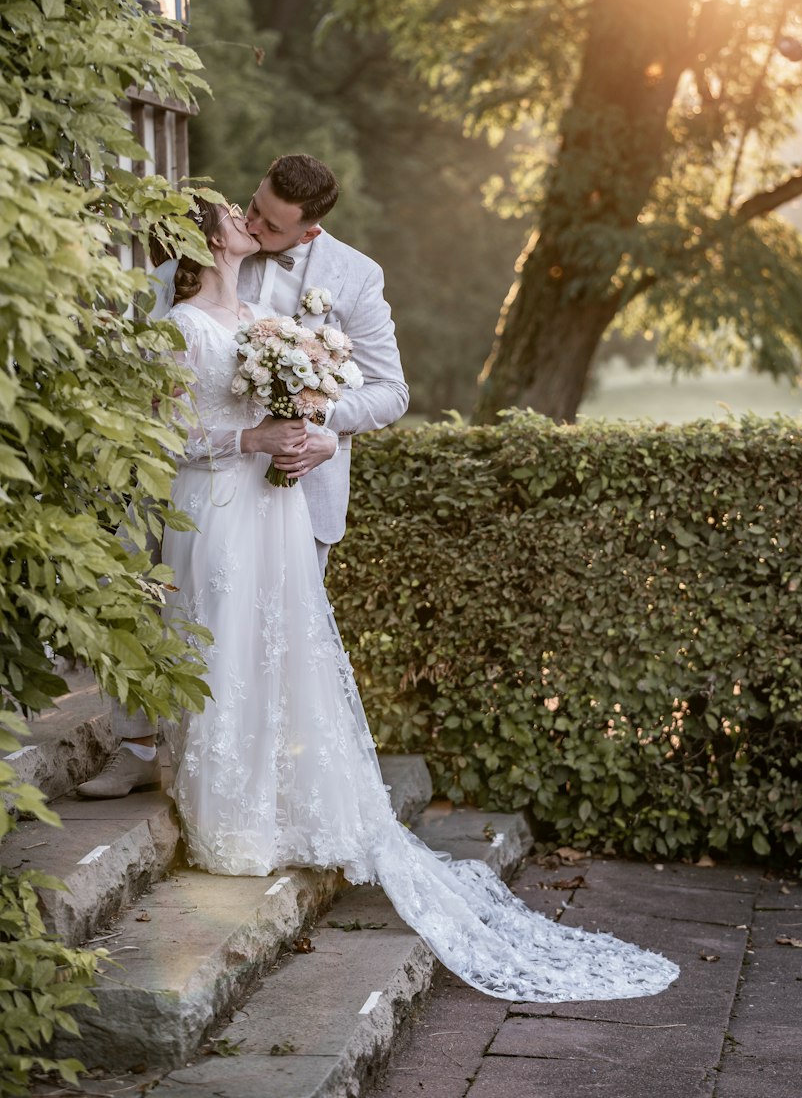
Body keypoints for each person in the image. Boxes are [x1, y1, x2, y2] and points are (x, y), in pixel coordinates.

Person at [154, 197, 680, 1001]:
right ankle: (226, 818)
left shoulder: (264, 313)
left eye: (257, 209)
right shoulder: (185, 324)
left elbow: (356, 393)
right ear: (210, 239)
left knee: (275, 651)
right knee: (218, 646)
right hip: (218, 511)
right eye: (236, 210)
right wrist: (252, 438)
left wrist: (304, 428)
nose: (246, 217)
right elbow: (169, 433)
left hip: (272, 508)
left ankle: (264, 805)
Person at [78, 154, 408, 800]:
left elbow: (392, 390)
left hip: (291, 489)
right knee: (147, 608)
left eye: (272, 223)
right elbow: (148, 374)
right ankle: (138, 745)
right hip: (189, 479)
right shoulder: (191, 254)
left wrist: (320, 423)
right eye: (252, 206)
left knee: (269, 640)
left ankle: (260, 777)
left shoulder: (355, 276)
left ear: (308, 231)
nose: (253, 222)